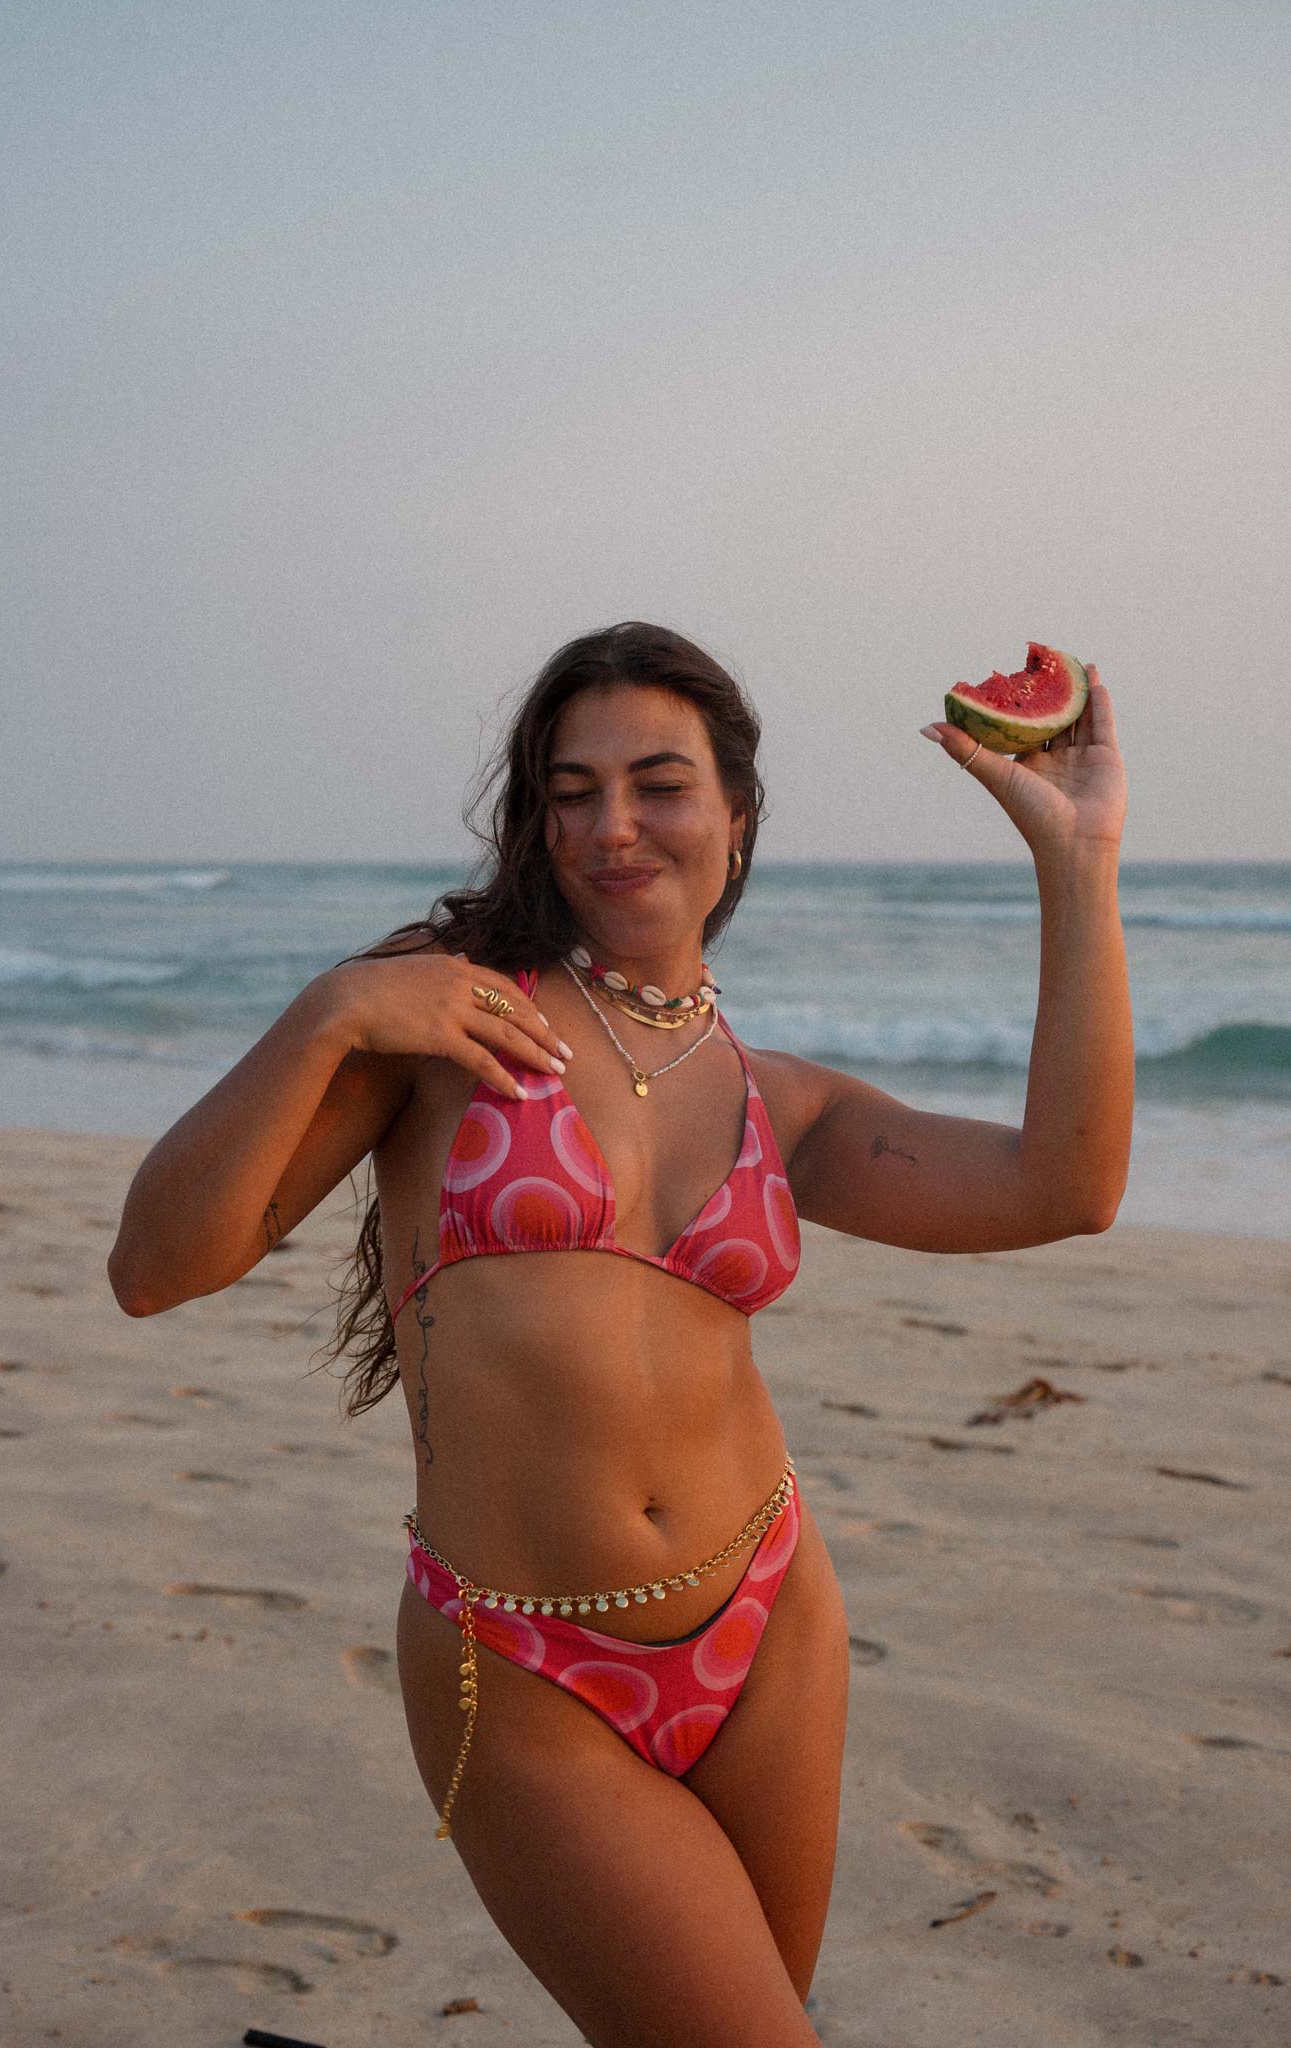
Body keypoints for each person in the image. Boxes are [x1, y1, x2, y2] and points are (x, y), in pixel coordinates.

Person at [107, 621, 1132, 2046]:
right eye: (569, 789)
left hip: (771, 1621)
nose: (611, 825)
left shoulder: (778, 1100)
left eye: (657, 782)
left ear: (735, 814)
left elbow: (1065, 1185)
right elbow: (156, 1267)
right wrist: (329, 1013)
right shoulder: (448, 1016)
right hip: (520, 1667)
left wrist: (1074, 862)